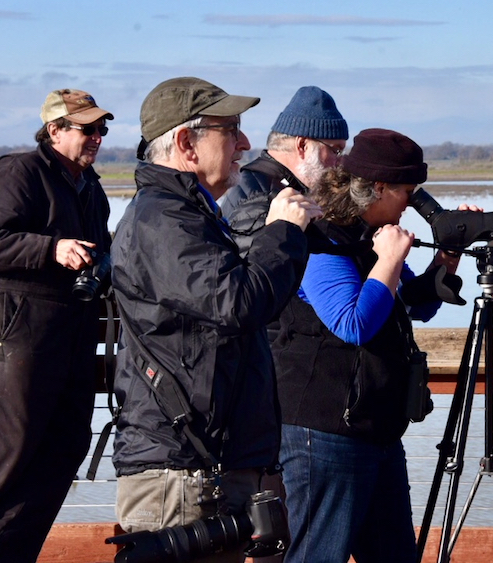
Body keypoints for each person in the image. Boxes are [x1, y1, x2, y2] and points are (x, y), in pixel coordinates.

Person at [108, 77, 321, 563]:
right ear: (186, 143)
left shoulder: (188, 215)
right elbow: (239, 302)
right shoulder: (162, 221)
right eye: (231, 129)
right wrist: (283, 232)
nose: (246, 143)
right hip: (178, 474)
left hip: (203, 467)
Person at [273, 128, 475, 563]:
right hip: (324, 431)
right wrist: (389, 259)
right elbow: (354, 323)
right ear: (378, 188)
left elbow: (409, 307)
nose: (410, 202)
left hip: (375, 428)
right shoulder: (321, 239)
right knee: (317, 556)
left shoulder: (370, 233)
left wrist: (446, 261)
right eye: (406, 191)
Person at [0, 89, 114, 563]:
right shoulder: (20, 171)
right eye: (88, 129)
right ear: (55, 130)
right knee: (2, 463)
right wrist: (50, 249)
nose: (97, 137)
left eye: (102, 129)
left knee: (64, 448)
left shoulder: (91, 187)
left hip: (69, 336)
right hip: (13, 336)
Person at [220, 85, 348, 222]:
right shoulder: (259, 197)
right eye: (336, 150)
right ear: (303, 145)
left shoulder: (278, 187)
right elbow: (270, 244)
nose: (339, 162)